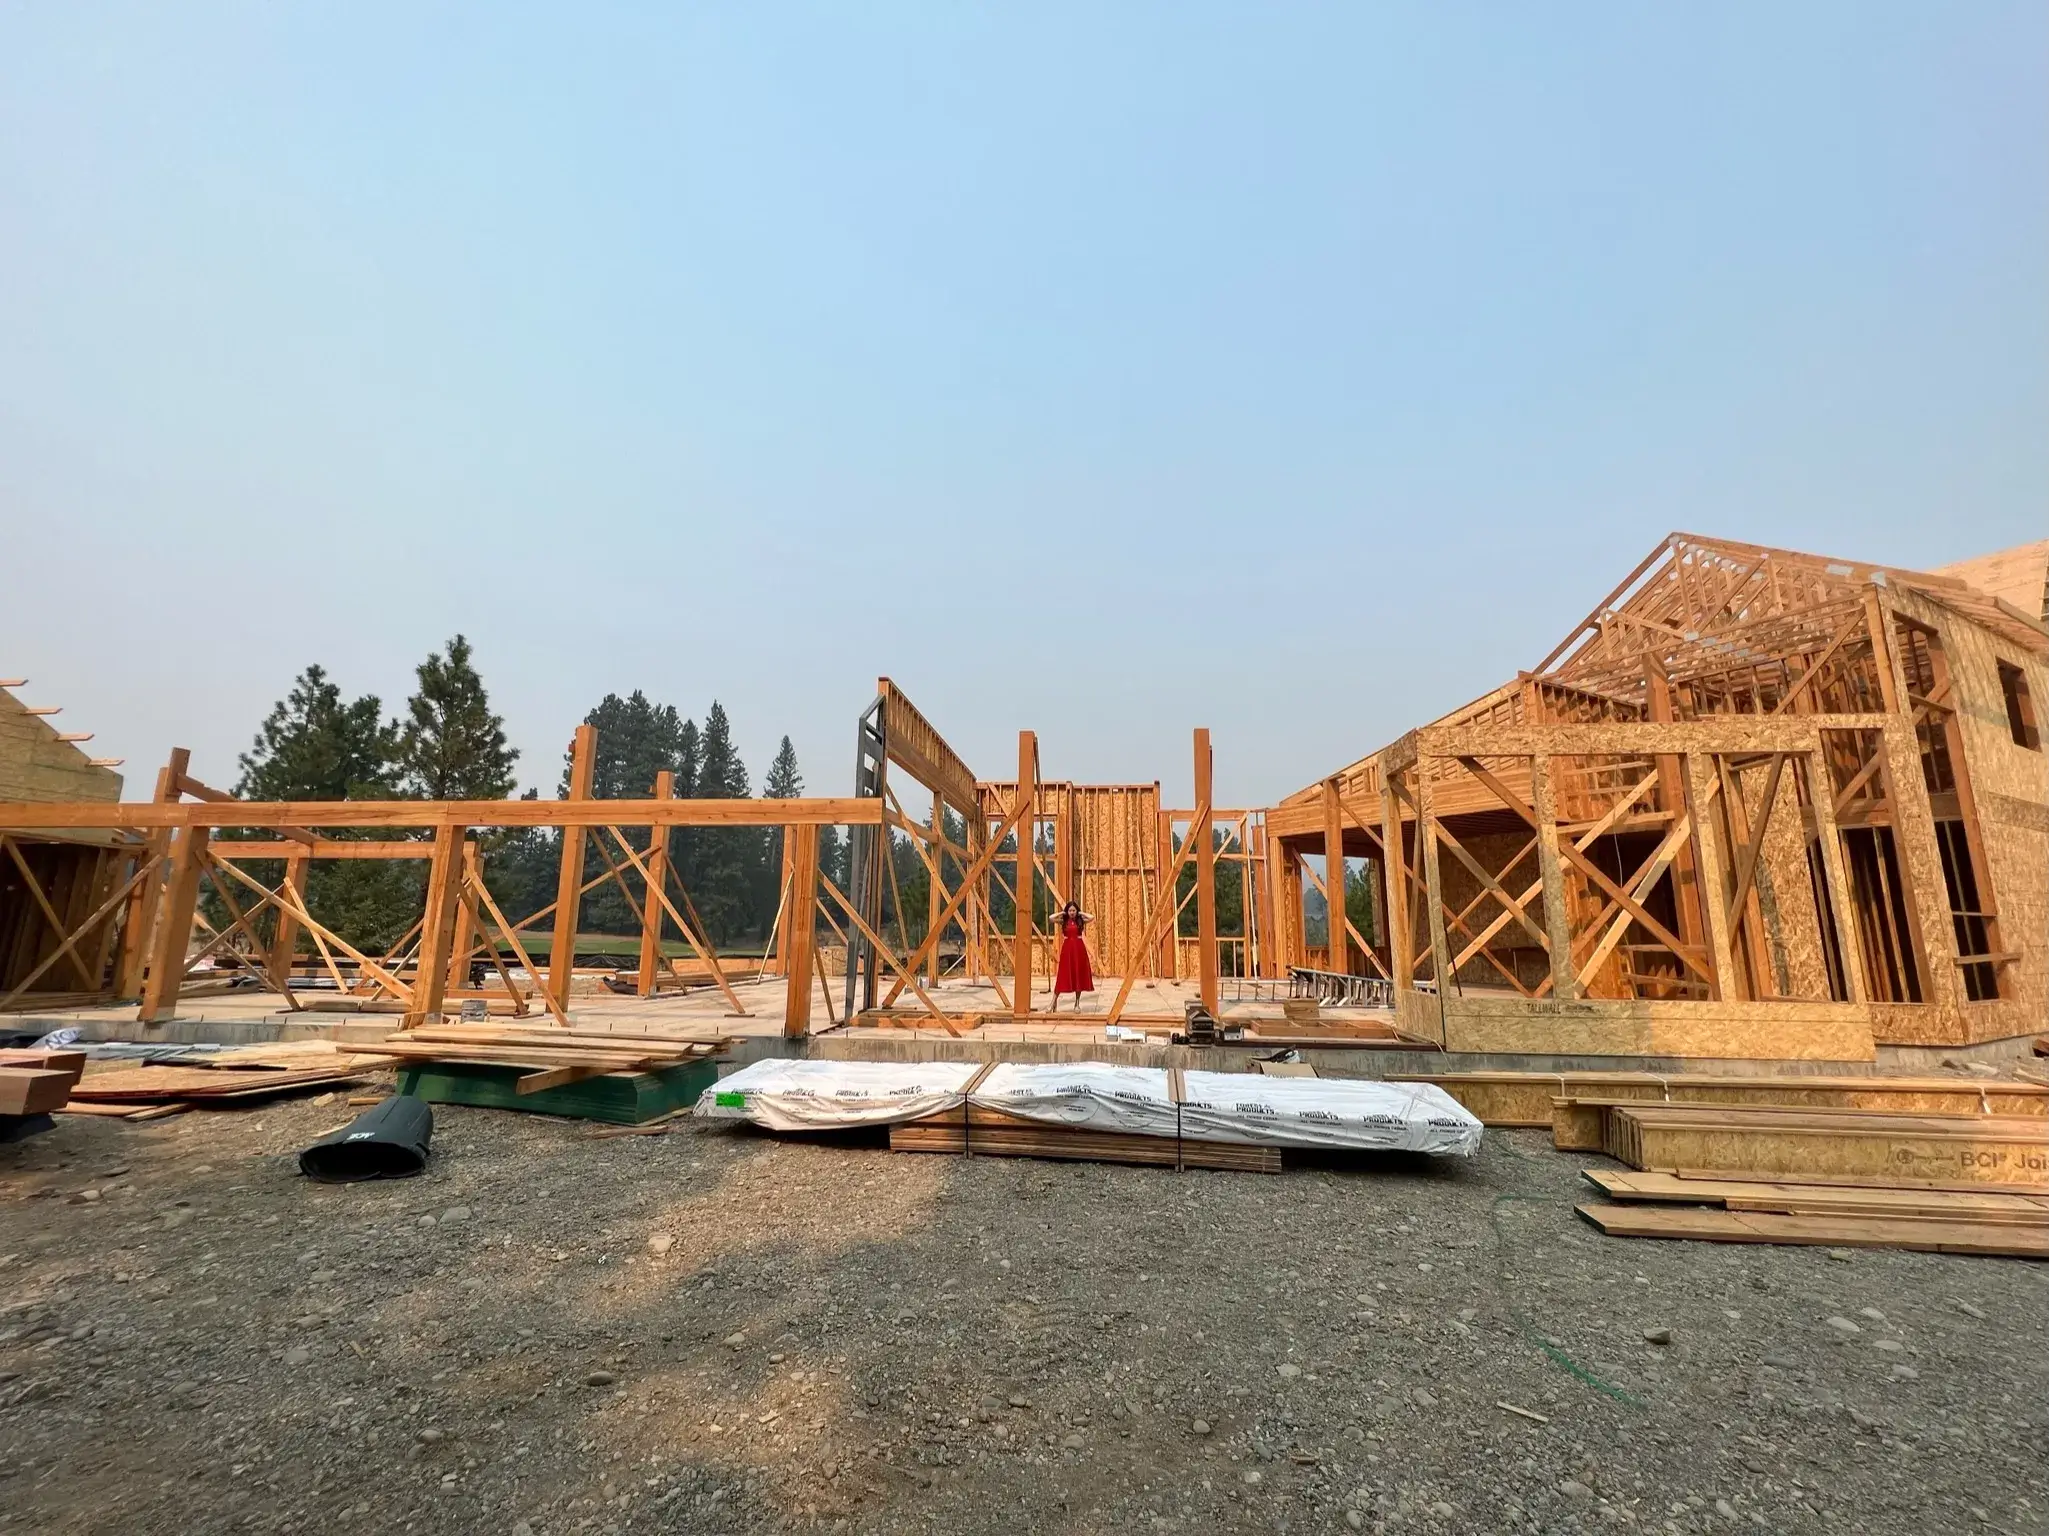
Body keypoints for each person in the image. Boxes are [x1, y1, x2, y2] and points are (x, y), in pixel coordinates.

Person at [1051, 899, 1095, 1010]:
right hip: (1067, 950)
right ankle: (1053, 1002)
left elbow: (1092, 917)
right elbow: (1051, 918)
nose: (1072, 912)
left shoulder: (1080, 920)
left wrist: (1081, 913)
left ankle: (1077, 1003)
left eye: (1074, 910)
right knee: (1062, 975)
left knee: (1078, 975)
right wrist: (1062, 912)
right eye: (1070, 910)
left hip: (1079, 950)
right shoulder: (1064, 921)